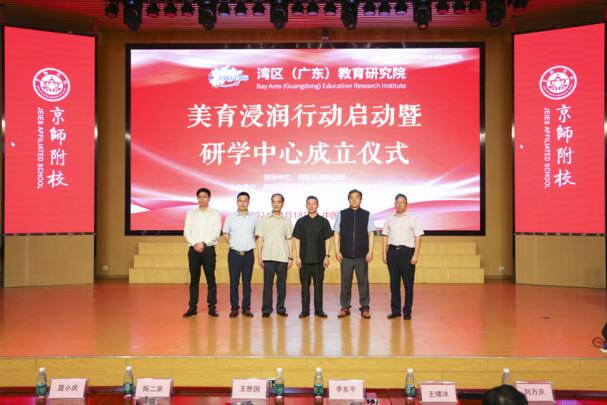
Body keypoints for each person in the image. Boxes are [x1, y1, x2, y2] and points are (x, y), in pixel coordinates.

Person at [334, 189, 376, 319]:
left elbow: (371, 233)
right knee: (345, 282)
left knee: (363, 282)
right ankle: (345, 307)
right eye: (351, 197)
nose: (354, 199)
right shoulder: (342, 214)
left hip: (361, 255)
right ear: (348, 199)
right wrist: (336, 250)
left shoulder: (366, 214)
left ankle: (365, 307)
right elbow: (336, 232)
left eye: (357, 197)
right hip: (345, 255)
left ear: (361, 200)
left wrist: (370, 251)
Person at [381, 193, 423, 320]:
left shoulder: (413, 218)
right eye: (398, 202)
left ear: (406, 204)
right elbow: (385, 236)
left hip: (407, 253)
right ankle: (396, 311)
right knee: (394, 284)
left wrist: (415, 255)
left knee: (408, 284)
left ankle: (407, 311)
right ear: (394, 204)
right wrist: (384, 253)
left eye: (402, 202)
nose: (400, 204)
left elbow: (418, 237)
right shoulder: (389, 219)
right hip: (392, 252)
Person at [183, 187, 222, 318]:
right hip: (193, 250)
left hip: (208, 249)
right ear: (197, 198)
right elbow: (186, 231)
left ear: (209, 198)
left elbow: (216, 232)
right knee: (194, 280)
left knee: (211, 279)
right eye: (200, 197)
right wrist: (194, 244)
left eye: (205, 196)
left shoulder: (215, 214)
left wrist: (204, 243)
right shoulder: (191, 213)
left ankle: (212, 308)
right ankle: (192, 308)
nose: (202, 199)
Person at [293, 196, 333, 318]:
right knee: (305, 287)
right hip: (304, 260)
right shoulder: (300, 222)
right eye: (309, 204)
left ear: (317, 205)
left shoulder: (324, 221)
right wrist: (297, 257)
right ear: (306, 205)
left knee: (318, 286)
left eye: (313, 203)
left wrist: (327, 256)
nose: (311, 206)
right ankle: (305, 311)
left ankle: (319, 311)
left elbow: (327, 239)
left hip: (319, 260)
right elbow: (297, 239)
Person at [256, 193, 293, 318]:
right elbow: (260, 239)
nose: (276, 204)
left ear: (283, 204)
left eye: (278, 201)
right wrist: (259, 256)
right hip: (268, 257)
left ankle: (281, 308)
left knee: (281, 285)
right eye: (274, 201)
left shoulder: (287, 220)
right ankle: (266, 309)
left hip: (283, 257)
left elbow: (289, 239)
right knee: (268, 285)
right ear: (271, 203)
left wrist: (290, 257)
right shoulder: (264, 219)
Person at [223, 191, 257, 318]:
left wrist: (250, 242)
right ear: (237, 202)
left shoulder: (254, 217)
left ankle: (246, 308)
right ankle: (234, 308)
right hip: (234, 255)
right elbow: (225, 234)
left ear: (249, 202)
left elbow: (257, 234)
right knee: (234, 283)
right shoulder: (230, 217)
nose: (242, 203)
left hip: (248, 255)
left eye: (245, 201)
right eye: (240, 200)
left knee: (247, 283)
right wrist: (233, 244)